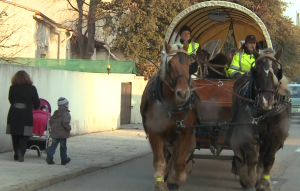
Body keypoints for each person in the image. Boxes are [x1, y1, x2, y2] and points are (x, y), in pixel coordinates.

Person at [6, 70, 40, 162]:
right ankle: (21, 152)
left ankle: (16, 153)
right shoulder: (32, 88)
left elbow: (11, 100)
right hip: (26, 115)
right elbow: (37, 103)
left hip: (13, 114)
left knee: (14, 134)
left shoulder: (12, 88)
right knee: (25, 135)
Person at [46, 97, 71, 165]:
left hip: (55, 133)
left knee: (53, 145)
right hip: (62, 134)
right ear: (65, 105)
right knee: (63, 147)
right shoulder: (66, 114)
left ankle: (49, 157)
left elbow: (51, 121)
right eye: (67, 104)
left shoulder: (56, 113)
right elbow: (65, 122)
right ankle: (64, 160)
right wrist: (68, 128)